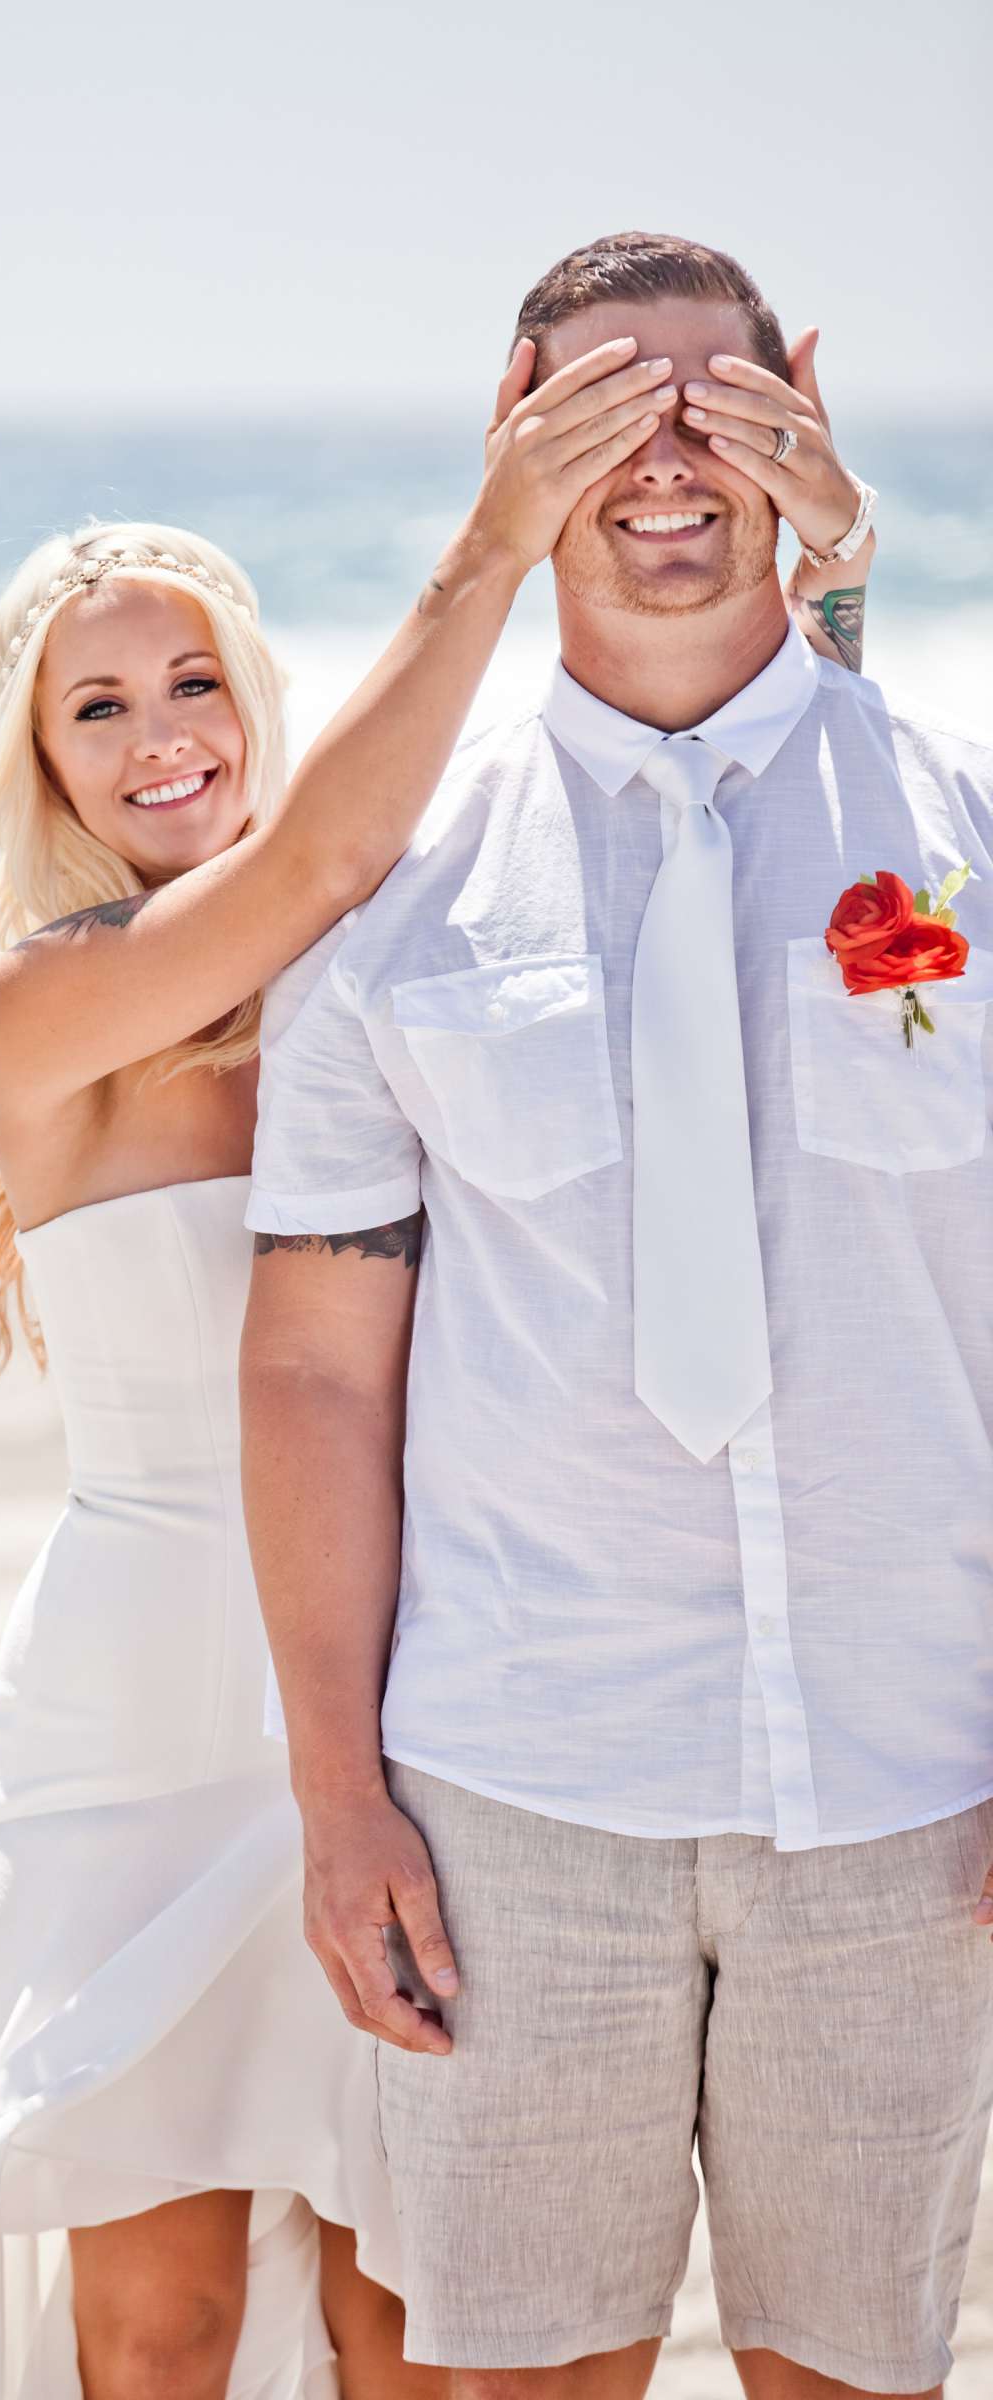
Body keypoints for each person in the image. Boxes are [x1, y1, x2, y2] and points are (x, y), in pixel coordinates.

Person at [0, 312, 873, 2400]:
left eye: (194, 677)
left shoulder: (383, 954)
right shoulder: (53, 1008)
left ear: (255, 695)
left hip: (416, 1675)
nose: (158, 733)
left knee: (406, 2301)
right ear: (39, 769)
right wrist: (491, 538)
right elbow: (312, 853)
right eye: (93, 707)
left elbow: (729, 814)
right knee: (159, 2306)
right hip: (137, 1715)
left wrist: (818, 562)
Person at [240, 228, 992, 2400]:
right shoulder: (391, 898)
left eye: (710, 397)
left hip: (903, 1781)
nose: (657, 455)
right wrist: (334, 1797)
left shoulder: (953, 847)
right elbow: (307, 1370)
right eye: (593, 402)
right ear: (506, 433)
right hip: (510, 1780)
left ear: (802, 410)